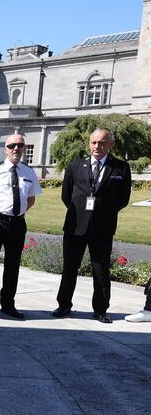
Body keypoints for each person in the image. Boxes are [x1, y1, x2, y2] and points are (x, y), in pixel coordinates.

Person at [52, 128, 132, 324]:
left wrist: (102, 213)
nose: (97, 146)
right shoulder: (76, 166)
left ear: (110, 145)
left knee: (100, 270)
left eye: (102, 142)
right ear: (89, 143)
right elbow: (66, 195)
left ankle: (101, 310)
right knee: (70, 267)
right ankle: (64, 305)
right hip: (75, 226)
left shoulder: (120, 168)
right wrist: (82, 213)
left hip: (102, 228)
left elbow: (123, 199)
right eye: (94, 142)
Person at [0, 134, 42, 319]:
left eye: (20, 145)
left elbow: (31, 199)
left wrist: (17, 213)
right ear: (5, 149)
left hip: (17, 224)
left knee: (12, 266)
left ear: (24, 148)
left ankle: (8, 304)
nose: (16, 148)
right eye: (12, 145)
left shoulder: (28, 172)